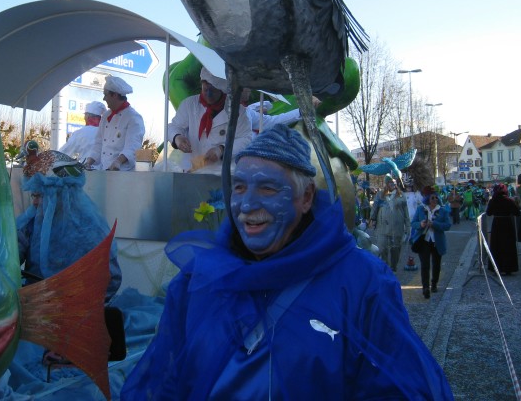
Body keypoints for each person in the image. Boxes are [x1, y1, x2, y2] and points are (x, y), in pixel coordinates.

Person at [122, 124, 453, 399]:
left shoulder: (361, 280)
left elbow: (396, 385)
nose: (248, 205)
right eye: (239, 187)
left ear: (306, 197)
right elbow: (165, 381)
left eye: (268, 189)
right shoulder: (201, 279)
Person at [16, 172, 122, 301]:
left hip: (81, 306)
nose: (35, 202)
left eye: (41, 196)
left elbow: (111, 278)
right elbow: (11, 259)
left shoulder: (90, 227)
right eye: (34, 195)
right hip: (35, 303)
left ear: (63, 196)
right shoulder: (30, 223)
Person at [168, 67, 252, 171]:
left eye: (213, 90)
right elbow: (174, 126)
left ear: (221, 89)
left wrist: (221, 149)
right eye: (205, 89)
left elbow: (246, 138)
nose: (209, 94)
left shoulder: (237, 110)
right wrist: (177, 138)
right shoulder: (189, 104)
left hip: (221, 172)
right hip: (192, 169)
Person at [85, 76, 144, 171]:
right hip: (104, 170)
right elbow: (98, 143)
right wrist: (88, 162)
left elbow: (133, 146)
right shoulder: (105, 116)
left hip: (123, 172)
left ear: (115, 95)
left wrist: (118, 162)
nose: (104, 98)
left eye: (105, 95)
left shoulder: (134, 117)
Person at [410, 187, 452, 299]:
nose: (434, 200)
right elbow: (413, 223)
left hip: (437, 241)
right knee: (425, 265)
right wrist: (421, 224)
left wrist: (434, 224)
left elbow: (447, 225)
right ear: (428, 199)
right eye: (432, 198)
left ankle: (434, 284)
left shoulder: (442, 210)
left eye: (436, 198)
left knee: (436, 264)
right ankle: (425, 288)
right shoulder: (421, 209)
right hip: (424, 241)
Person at [369, 175, 410, 272]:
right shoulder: (380, 195)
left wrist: (408, 226)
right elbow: (374, 208)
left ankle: (394, 266)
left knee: (396, 249)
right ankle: (385, 266)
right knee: (382, 248)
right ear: (386, 184)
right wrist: (372, 219)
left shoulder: (401, 195)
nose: (393, 185)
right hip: (382, 227)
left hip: (397, 227)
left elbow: (406, 212)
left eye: (394, 183)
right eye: (391, 183)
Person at [486, 183, 520, 275]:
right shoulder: (509, 200)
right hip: (507, 223)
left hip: (497, 223)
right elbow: (517, 212)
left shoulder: (493, 200)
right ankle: (508, 268)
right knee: (508, 246)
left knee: (496, 246)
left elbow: (488, 213)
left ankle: (497, 268)